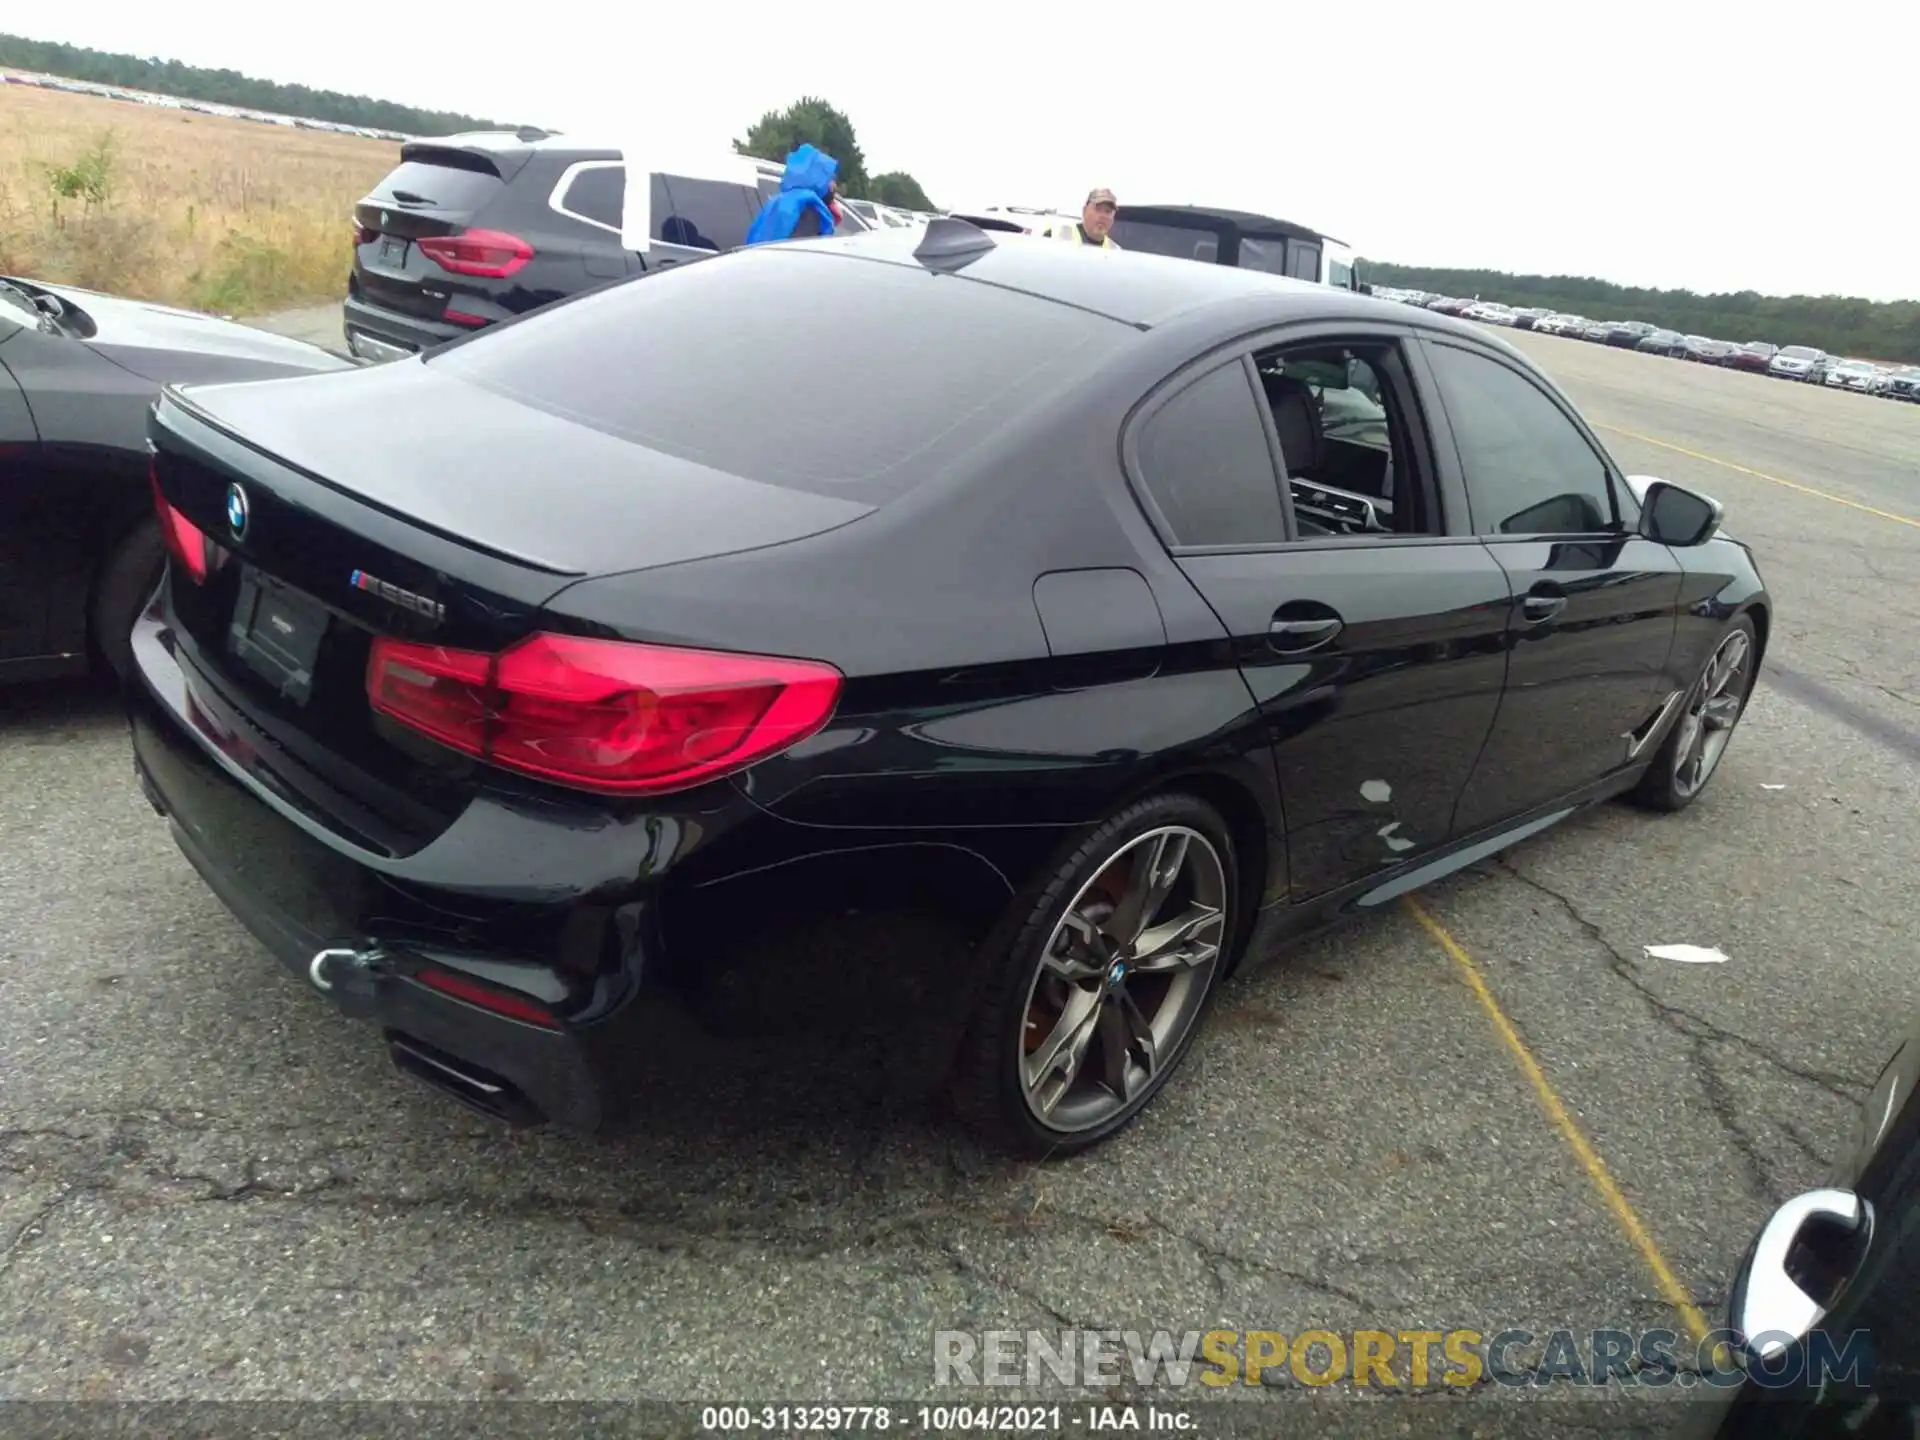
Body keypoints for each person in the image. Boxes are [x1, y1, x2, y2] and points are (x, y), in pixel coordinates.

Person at [744, 144, 839, 245]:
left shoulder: (777, 201)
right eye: (830, 179)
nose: (834, 186)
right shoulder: (809, 209)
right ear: (817, 178)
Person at [1045, 188, 1122, 248]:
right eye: (1098, 209)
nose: (1103, 216)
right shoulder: (1054, 235)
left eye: (1108, 211)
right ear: (1084, 210)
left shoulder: (1116, 252)